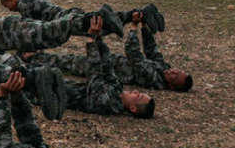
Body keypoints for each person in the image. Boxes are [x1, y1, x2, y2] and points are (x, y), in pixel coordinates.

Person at [26, 12, 192, 92]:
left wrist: (133, 28)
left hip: (107, 69)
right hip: (109, 60)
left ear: (171, 85)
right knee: (71, 60)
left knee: (69, 63)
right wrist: (145, 26)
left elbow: (134, 54)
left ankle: (33, 58)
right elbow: (152, 51)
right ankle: (35, 56)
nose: (173, 71)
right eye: (178, 71)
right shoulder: (163, 70)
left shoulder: (152, 77)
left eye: (175, 76)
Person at [24, 17, 155, 118]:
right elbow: (107, 66)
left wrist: (91, 42)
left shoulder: (108, 104)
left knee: (14, 78)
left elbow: (95, 76)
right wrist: (98, 38)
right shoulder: (117, 90)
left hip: (44, 93)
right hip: (53, 83)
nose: (136, 92)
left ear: (132, 108)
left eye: (138, 97)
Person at [0, 0, 165, 35]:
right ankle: (140, 13)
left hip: (62, 20)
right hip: (67, 13)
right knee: (103, 27)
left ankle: (100, 15)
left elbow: (33, 27)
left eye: (8, 5)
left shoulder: (22, 5)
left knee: (94, 27)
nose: (10, 9)